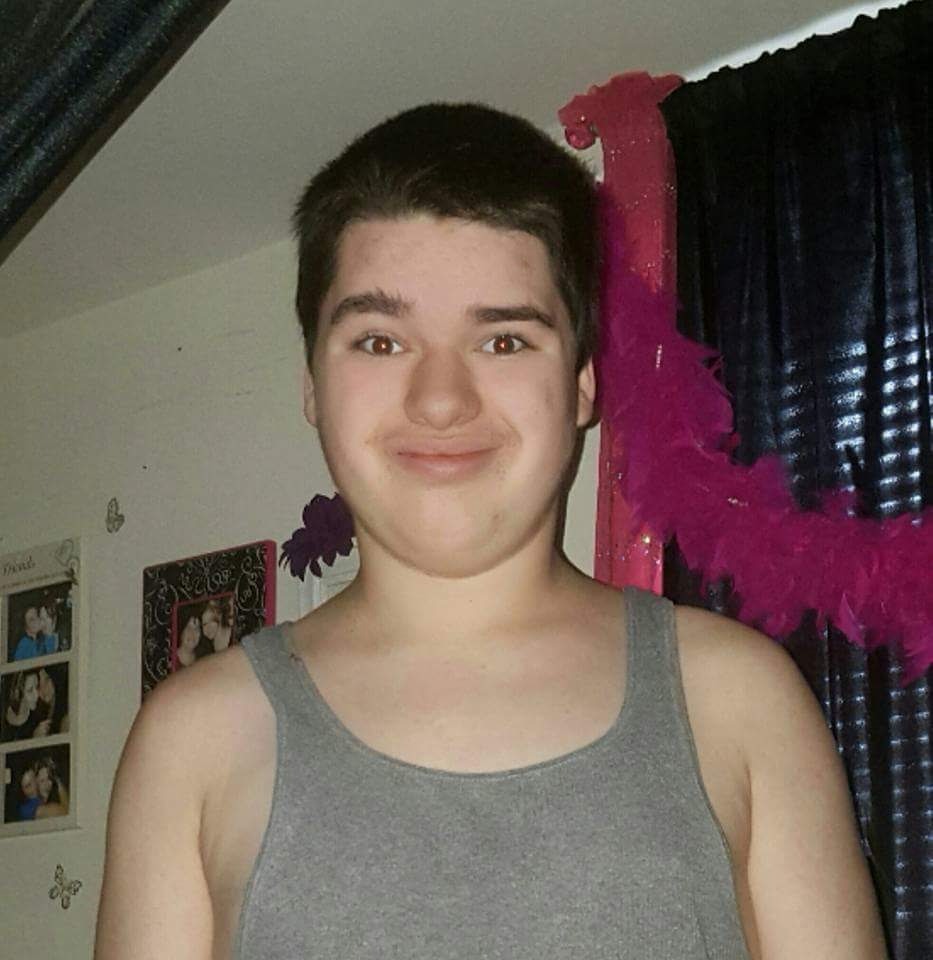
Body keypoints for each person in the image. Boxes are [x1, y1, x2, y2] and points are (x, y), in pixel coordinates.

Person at [96, 104, 888, 960]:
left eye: (503, 341)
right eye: (380, 341)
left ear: (582, 385)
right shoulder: (192, 741)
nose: (441, 400)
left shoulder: (739, 700)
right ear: (313, 387)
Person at [2, 669, 51, 741]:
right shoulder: (2, 714)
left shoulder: (41, 716)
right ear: (17, 694)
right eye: (30, 690)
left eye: (37, 687)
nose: (37, 695)